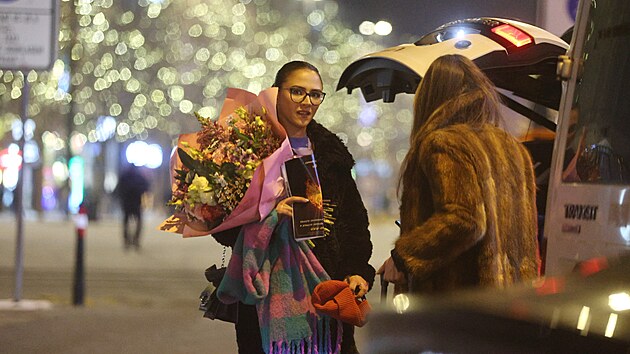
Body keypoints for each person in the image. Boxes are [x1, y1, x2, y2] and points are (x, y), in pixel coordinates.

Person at [213, 61, 375, 354]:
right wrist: (272, 218)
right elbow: (223, 230)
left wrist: (357, 271)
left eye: (315, 95)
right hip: (263, 297)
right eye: (297, 92)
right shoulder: (246, 150)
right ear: (276, 93)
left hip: (326, 294)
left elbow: (354, 223)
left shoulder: (331, 154)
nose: (307, 102)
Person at [378, 54, 540, 294]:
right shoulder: (511, 146)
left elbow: (465, 219)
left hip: (456, 303)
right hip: (509, 301)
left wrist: (403, 257)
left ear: (431, 96)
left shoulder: (443, 143)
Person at [114, 164, 150, 250]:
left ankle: (127, 240)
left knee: (126, 222)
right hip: (136, 202)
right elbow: (146, 187)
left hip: (127, 202)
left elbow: (118, 189)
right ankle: (135, 240)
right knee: (138, 222)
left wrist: (120, 197)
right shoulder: (139, 177)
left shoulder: (124, 176)